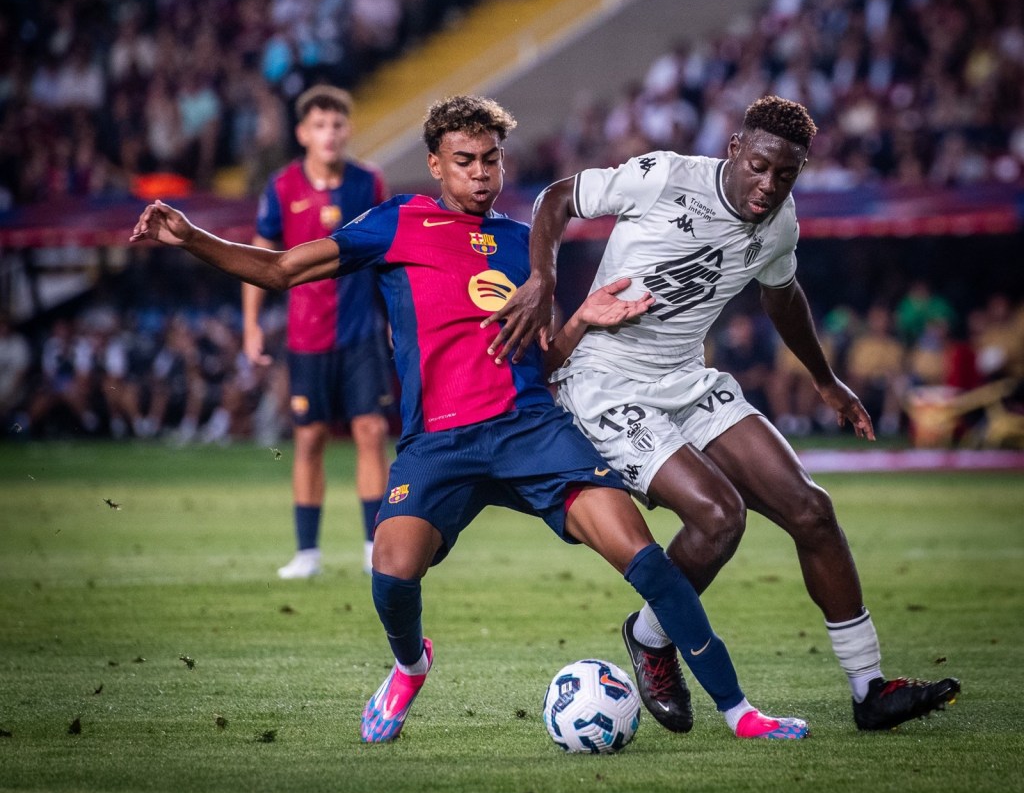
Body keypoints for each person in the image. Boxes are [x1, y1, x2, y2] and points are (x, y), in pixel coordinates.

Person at [131, 94, 807, 744]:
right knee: (391, 576)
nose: (481, 173)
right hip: (441, 442)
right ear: (436, 164)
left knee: (648, 562)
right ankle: (409, 667)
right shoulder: (397, 224)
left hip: (530, 431)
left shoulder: (524, 246)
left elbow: (545, 363)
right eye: (465, 160)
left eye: (491, 159)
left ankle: (739, 711)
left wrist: (578, 321)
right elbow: (280, 269)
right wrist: (190, 237)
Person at [487, 95, 961, 732]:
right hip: (606, 384)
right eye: (760, 166)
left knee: (813, 511)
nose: (768, 186)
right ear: (735, 149)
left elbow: (782, 293)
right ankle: (656, 640)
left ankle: (868, 688)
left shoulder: (780, 224)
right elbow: (557, 197)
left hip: (687, 379)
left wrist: (825, 380)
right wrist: (542, 280)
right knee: (718, 517)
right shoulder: (665, 176)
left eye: (785, 175)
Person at [243, 85, 392, 579]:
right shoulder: (282, 187)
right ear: (303, 133)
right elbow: (260, 260)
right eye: (320, 126)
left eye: (337, 125)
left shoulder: (369, 184)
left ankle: (375, 546)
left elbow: (390, 257)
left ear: (347, 130)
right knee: (308, 440)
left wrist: (396, 320)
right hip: (305, 338)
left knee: (370, 432)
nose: (329, 134)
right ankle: (307, 552)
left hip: (360, 334)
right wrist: (250, 327)